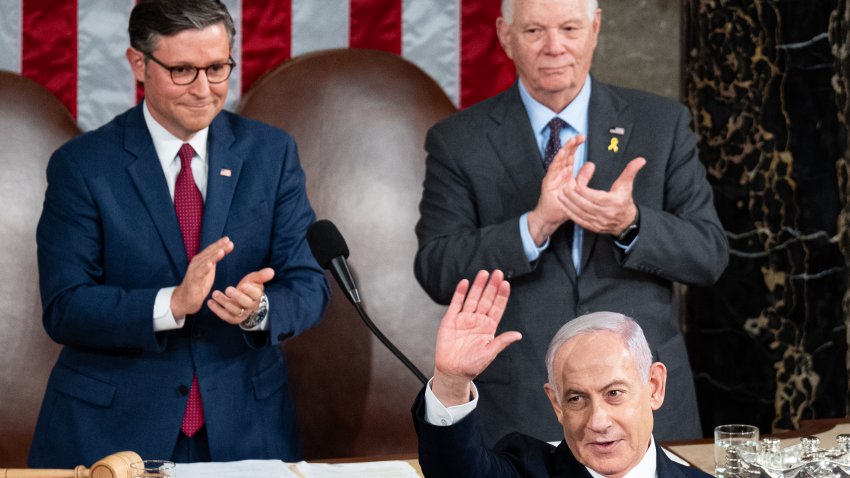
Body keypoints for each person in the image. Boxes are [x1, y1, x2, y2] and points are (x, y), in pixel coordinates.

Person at [29, 0, 329, 467]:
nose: (204, 90)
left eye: (216, 68)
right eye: (183, 70)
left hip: (245, 427)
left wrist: (258, 310)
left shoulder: (272, 154)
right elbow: (64, 305)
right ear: (139, 65)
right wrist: (171, 304)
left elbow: (309, 285)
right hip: (113, 432)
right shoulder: (83, 166)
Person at [413, 0, 728, 445]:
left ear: (595, 28)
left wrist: (630, 224)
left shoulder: (661, 123)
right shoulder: (458, 139)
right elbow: (436, 269)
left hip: (644, 404)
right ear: (505, 36)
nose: (554, 46)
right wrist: (533, 227)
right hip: (522, 408)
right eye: (534, 31)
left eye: (569, 28)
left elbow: (708, 255)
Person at [413, 270, 713, 478]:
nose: (598, 422)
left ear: (654, 387)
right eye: (576, 399)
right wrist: (452, 381)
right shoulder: (529, 470)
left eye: (614, 393)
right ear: (556, 404)